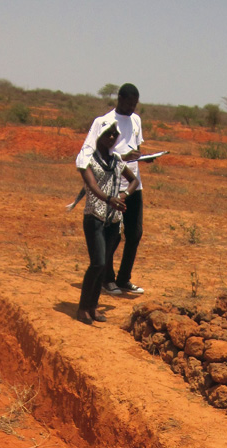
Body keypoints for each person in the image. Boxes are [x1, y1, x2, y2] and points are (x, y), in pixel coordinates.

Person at [76, 83, 147, 295]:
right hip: (111, 187)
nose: (132, 108)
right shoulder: (103, 122)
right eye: (129, 103)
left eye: (135, 104)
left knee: (134, 234)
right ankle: (106, 278)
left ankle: (124, 279)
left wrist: (140, 157)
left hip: (134, 185)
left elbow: (136, 147)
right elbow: (91, 153)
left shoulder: (136, 120)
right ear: (119, 99)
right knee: (112, 236)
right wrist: (121, 158)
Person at [75, 120, 140, 324]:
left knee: (103, 267)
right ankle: (82, 308)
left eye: (114, 134)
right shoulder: (89, 160)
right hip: (94, 216)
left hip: (113, 220)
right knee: (98, 263)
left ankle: (92, 308)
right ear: (99, 136)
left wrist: (124, 194)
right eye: (108, 134)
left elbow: (134, 180)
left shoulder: (117, 160)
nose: (112, 138)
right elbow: (91, 185)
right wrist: (108, 199)